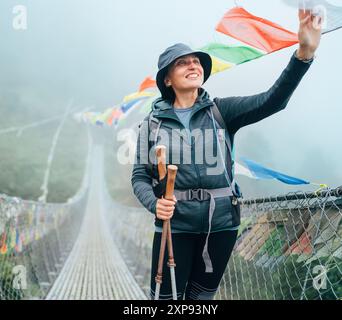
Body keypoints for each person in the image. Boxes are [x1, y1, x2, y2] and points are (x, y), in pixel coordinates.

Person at [131, 9, 322, 300]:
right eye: (182, 63)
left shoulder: (222, 111)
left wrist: (303, 54)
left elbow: (273, 100)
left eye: (196, 61)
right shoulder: (151, 125)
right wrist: (154, 204)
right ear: (167, 80)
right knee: (165, 299)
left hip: (221, 226)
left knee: (202, 298)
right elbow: (140, 177)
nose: (192, 65)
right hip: (174, 225)